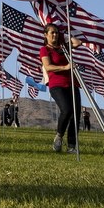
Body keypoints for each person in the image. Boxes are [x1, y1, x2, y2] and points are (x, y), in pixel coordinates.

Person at [40, 23, 82, 153]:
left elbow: (78, 42)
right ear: (45, 35)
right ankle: (59, 136)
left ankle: (72, 146)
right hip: (57, 85)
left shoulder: (64, 47)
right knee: (67, 109)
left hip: (72, 83)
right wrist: (65, 67)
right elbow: (48, 66)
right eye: (52, 32)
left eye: (56, 32)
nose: (55, 35)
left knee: (76, 114)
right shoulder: (45, 49)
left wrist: (63, 35)